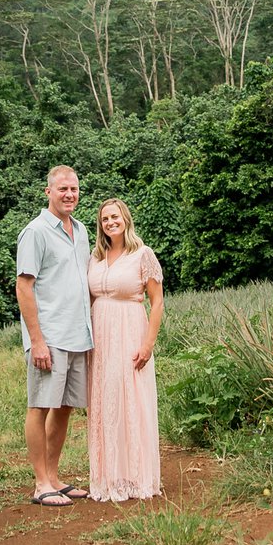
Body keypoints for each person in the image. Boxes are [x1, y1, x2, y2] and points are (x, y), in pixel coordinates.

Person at [15, 165, 93, 508]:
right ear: (48, 192)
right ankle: (40, 483)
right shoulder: (35, 232)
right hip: (50, 336)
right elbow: (24, 287)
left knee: (63, 408)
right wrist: (37, 341)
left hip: (78, 335)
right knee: (40, 405)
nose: (69, 195)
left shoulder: (82, 230)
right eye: (62, 189)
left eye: (74, 189)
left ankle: (54, 477)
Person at [84, 197, 164, 502]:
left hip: (131, 332)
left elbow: (157, 301)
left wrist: (148, 344)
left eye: (115, 217)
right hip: (101, 339)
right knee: (105, 402)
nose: (110, 222)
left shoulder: (142, 254)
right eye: (105, 219)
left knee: (132, 400)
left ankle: (137, 476)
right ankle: (108, 476)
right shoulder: (95, 258)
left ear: (126, 219)